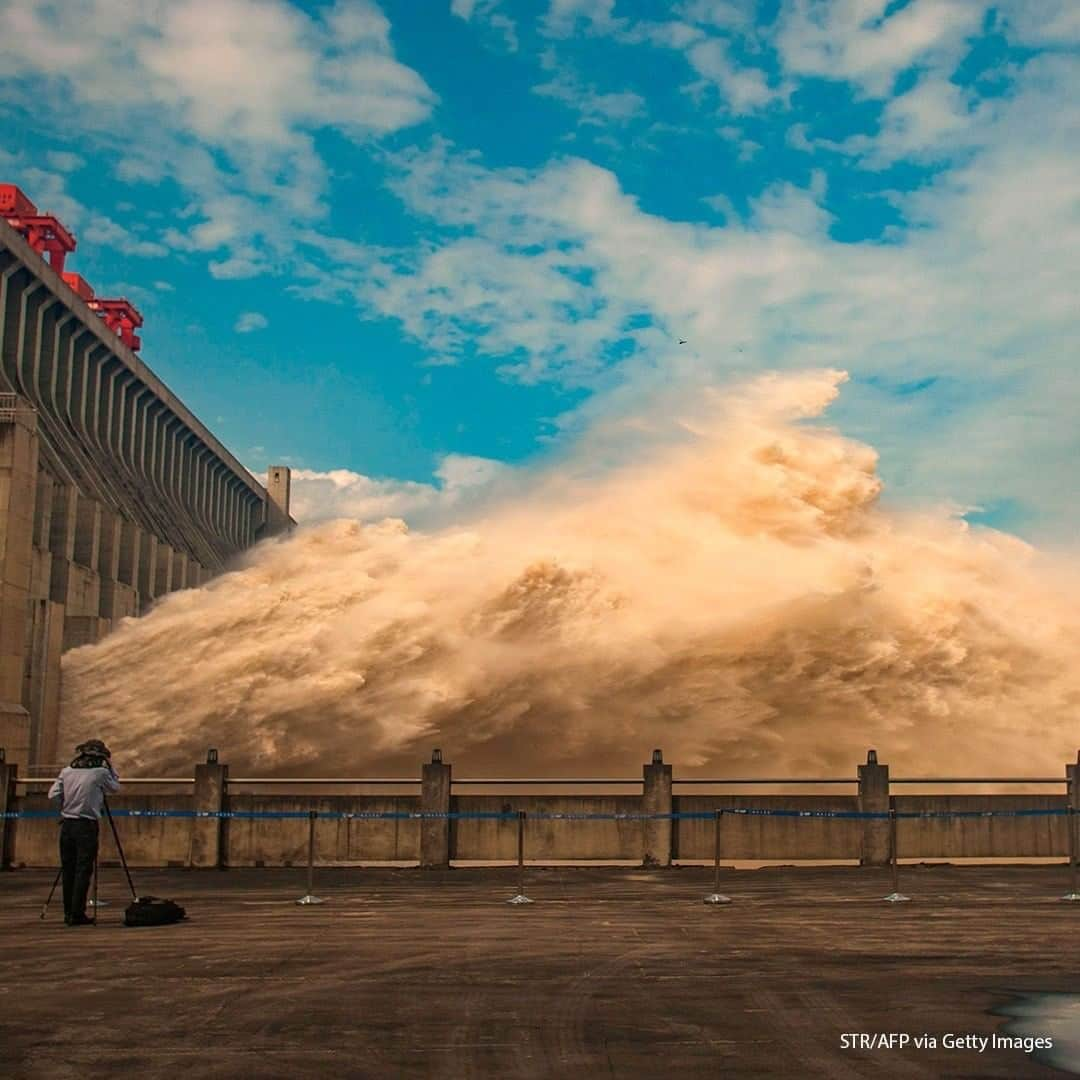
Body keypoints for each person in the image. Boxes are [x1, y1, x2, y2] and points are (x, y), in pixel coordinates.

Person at [48, 740, 121, 926]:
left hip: (67, 824)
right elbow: (115, 788)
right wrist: (111, 768)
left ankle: (68, 912)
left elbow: (53, 794)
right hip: (86, 825)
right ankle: (77, 913)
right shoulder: (101, 773)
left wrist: (64, 808)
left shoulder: (67, 771)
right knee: (83, 869)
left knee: (68, 869)